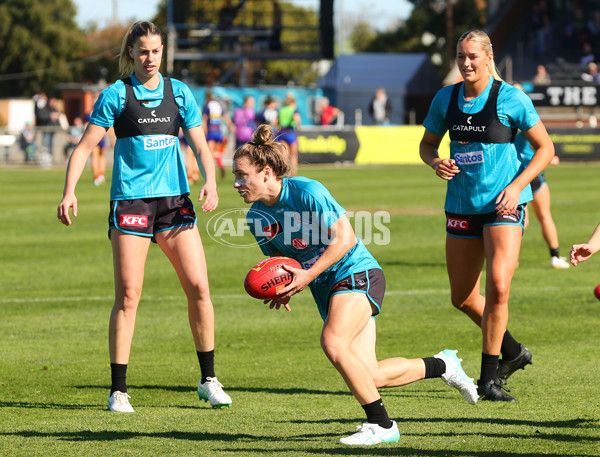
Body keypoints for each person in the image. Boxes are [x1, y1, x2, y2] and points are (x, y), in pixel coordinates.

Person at [233, 124, 478, 446]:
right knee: (370, 374)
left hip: (356, 272)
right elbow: (283, 261)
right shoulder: (255, 217)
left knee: (334, 343)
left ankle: (382, 424)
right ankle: (443, 364)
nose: (236, 183)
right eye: (234, 176)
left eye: (242, 175)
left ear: (266, 172)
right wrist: (285, 284)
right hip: (327, 287)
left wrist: (307, 274)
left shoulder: (307, 192)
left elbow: (345, 239)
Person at [57, 21, 231, 413]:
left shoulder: (179, 93)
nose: (150, 58)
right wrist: (69, 192)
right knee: (129, 296)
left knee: (200, 289)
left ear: (163, 51)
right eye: (143, 51)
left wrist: (210, 182)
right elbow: (85, 149)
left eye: (156, 51)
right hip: (132, 203)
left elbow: (202, 148)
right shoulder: (116, 95)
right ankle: (118, 390)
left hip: (174, 203)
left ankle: (208, 379)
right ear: (131, 52)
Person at [419, 30, 555, 402]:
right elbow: (427, 144)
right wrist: (435, 162)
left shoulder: (511, 97)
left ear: (488, 57)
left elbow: (545, 148)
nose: (466, 63)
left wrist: (517, 186)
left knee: (499, 287)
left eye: (472, 57)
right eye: (461, 56)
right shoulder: (446, 98)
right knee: (462, 298)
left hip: (504, 206)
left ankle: (489, 379)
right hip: (462, 206)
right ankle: (512, 351)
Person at [512, 101, 569, 269]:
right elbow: (544, 150)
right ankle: (555, 257)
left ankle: (510, 256)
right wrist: (553, 159)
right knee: (544, 216)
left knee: (522, 219)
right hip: (533, 175)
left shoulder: (507, 128)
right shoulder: (528, 126)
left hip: (517, 175)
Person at [202, 89, 235, 179]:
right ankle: (221, 167)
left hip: (210, 132)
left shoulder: (207, 105)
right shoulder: (219, 105)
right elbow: (225, 117)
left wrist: (204, 131)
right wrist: (231, 126)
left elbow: (204, 120)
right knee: (217, 153)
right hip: (218, 132)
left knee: (209, 153)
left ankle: (210, 174)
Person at [277, 92, 300, 175]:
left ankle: (285, 174)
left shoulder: (281, 109)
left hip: (282, 133)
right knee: (293, 156)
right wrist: (298, 125)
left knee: (284, 157)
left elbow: (277, 122)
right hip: (290, 132)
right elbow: (296, 119)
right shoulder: (294, 109)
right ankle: (293, 175)